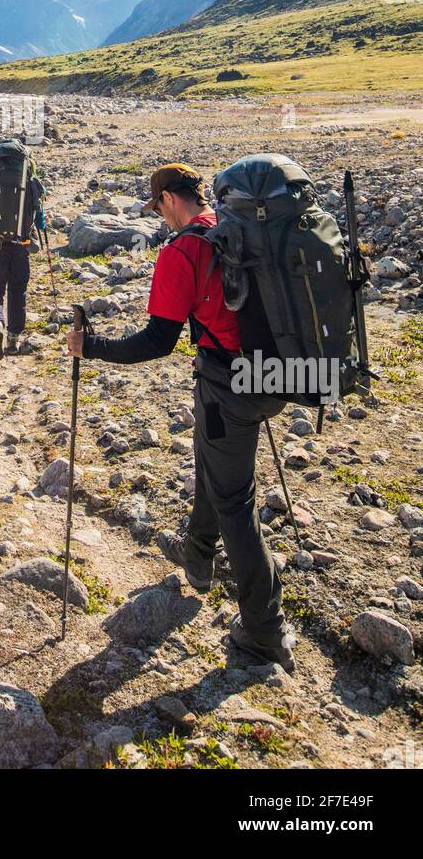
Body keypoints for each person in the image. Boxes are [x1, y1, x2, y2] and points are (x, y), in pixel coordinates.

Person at [66, 162, 296, 672]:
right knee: (213, 463)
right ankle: (198, 557)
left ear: (170, 199)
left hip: (227, 384)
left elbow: (157, 341)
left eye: (159, 209)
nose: (161, 220)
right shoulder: (235, 229)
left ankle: (264, 633)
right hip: (277, 375)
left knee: (236, 500)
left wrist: (93, 347)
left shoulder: (184, 250)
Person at [0, 138, 46, 359]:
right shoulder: (27, 171)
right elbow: (38, 205)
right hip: (22, 243)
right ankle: (13, 340)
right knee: (17, 289)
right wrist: (40, 227)